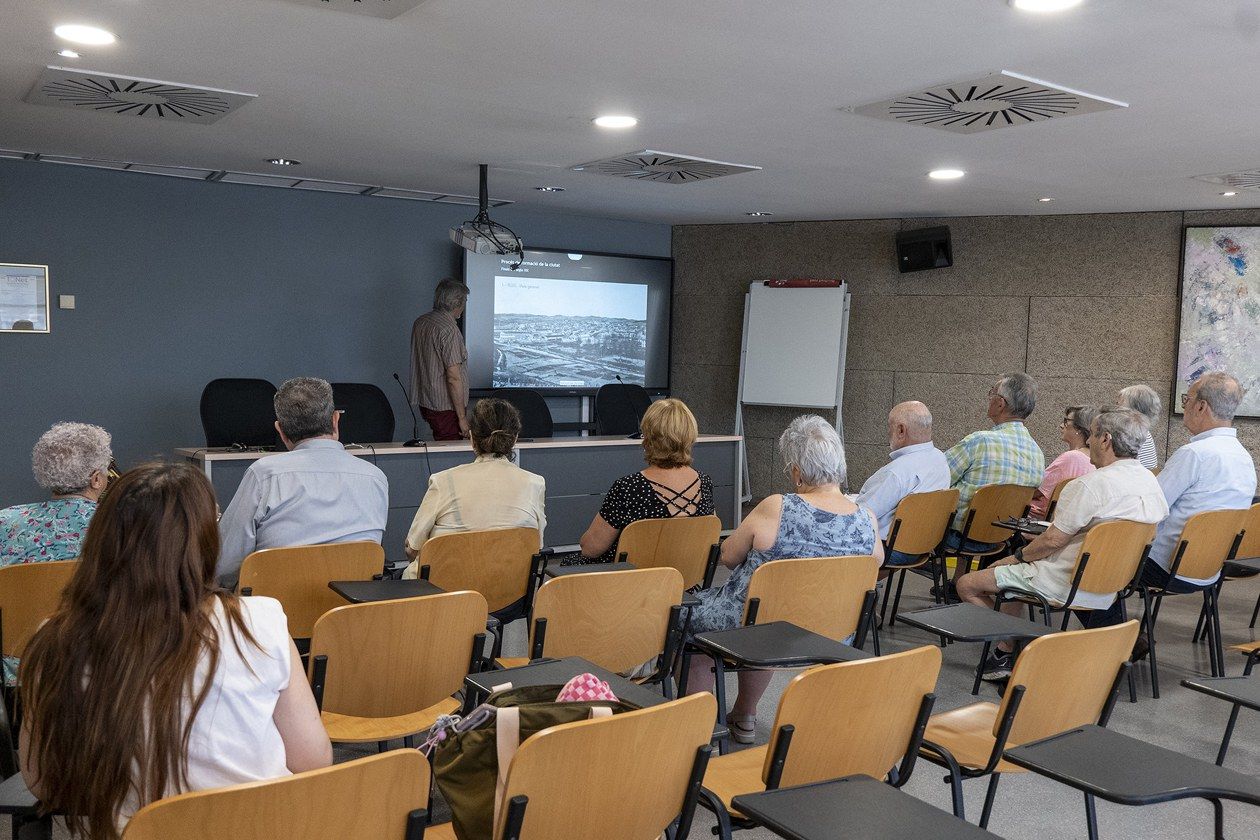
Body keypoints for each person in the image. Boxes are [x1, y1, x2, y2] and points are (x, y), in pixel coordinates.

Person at [19, 463, 331, 840]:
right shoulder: (259, 621)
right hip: (263, 829)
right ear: (203, 541)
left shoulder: (55, 640)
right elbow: (312, 762)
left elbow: (44, 783)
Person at [685, 415, 881, 743]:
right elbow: (875, 564)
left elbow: (729, 557)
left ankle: (697, 729)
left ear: (795, 470)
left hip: (757, 625)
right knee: (775, 615)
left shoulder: (777, 507)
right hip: (829, 631)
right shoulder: (867, 519)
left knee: (689, 619)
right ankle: (744, 715)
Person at [956, 407, 1168, 679]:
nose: (1088, 442)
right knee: (1010, 577)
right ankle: (1009, 649)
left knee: (968, 584)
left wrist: (1015, 557)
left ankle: (1012, 646)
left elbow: (1052, 541)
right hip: (1111, 585)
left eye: (1091, 435)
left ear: (1105, 440)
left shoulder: (1089, 485)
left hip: (1063, 581)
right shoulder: (1150, 482)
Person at [1093, 372, 1256, 628]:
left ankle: (1117, 640)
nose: (1185, 405)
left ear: (1201, 406)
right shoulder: (1244, 458)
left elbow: (1147, 507)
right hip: (1209, 569)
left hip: (1165, 566)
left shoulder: (1194, 454)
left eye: (1186, 399)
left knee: (1092, 561)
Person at [216, 377, 388, 588]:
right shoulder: (375, 478)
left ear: (280, 430)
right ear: (335, 420)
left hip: (275, 616)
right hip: (348, 615)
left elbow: (224, 566)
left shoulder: (264, 475)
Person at [1, 421, 112, 685]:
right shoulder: (119, 526)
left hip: (18, 677)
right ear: (96, 479)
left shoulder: (5, 522)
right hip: (100, 673)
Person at [402, 398, 546, 578]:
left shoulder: (443, 481)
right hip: (508, 599)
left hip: (445, 598)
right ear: (515, 438)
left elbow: (412, 549)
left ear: (471, 438)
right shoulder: (535, 483)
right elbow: (536, 546)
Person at [578, 398, 714, 564]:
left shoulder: (628, 486)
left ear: (648, 437)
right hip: (682, 582)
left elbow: (591, 548)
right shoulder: (704, 483)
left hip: (630, 585)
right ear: (690, 436)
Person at [942, 373, 1045, 583]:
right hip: (1001, 538)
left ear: (1000, 404)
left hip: (958, 537)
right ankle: (956, 582)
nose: (989, 398)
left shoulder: (979, 441)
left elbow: (936, 477)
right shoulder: (1037, 453)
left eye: (991, 393)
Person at [854, 401, 949, 568]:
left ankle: (852, 590)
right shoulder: (940, 459)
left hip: (891, 549)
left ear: (901, 430)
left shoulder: (897, 472)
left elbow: (860, 517)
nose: (887, 432)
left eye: (889, 427)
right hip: (925, 545)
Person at [410, 278, 471, 441]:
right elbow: (453, 377)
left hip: (427, 403)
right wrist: (462, 418)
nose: (464, 306)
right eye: (464, 301)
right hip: (446, 408)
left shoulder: (421, 322)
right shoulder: (449, 329)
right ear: (457, 302)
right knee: (450, 457)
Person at [1029, 405, 1098, 519]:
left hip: (1036, 518)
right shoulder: (1094, 460)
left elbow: (1036, 491)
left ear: (1080, 429)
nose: (1061, 425)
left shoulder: (1071, 458)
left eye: (1066, 421)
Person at [1118, 384, 1161, 470]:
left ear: (1134, 411)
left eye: (1119, 405)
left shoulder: (1130, 435)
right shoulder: (1143, 431)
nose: (1115, 410)